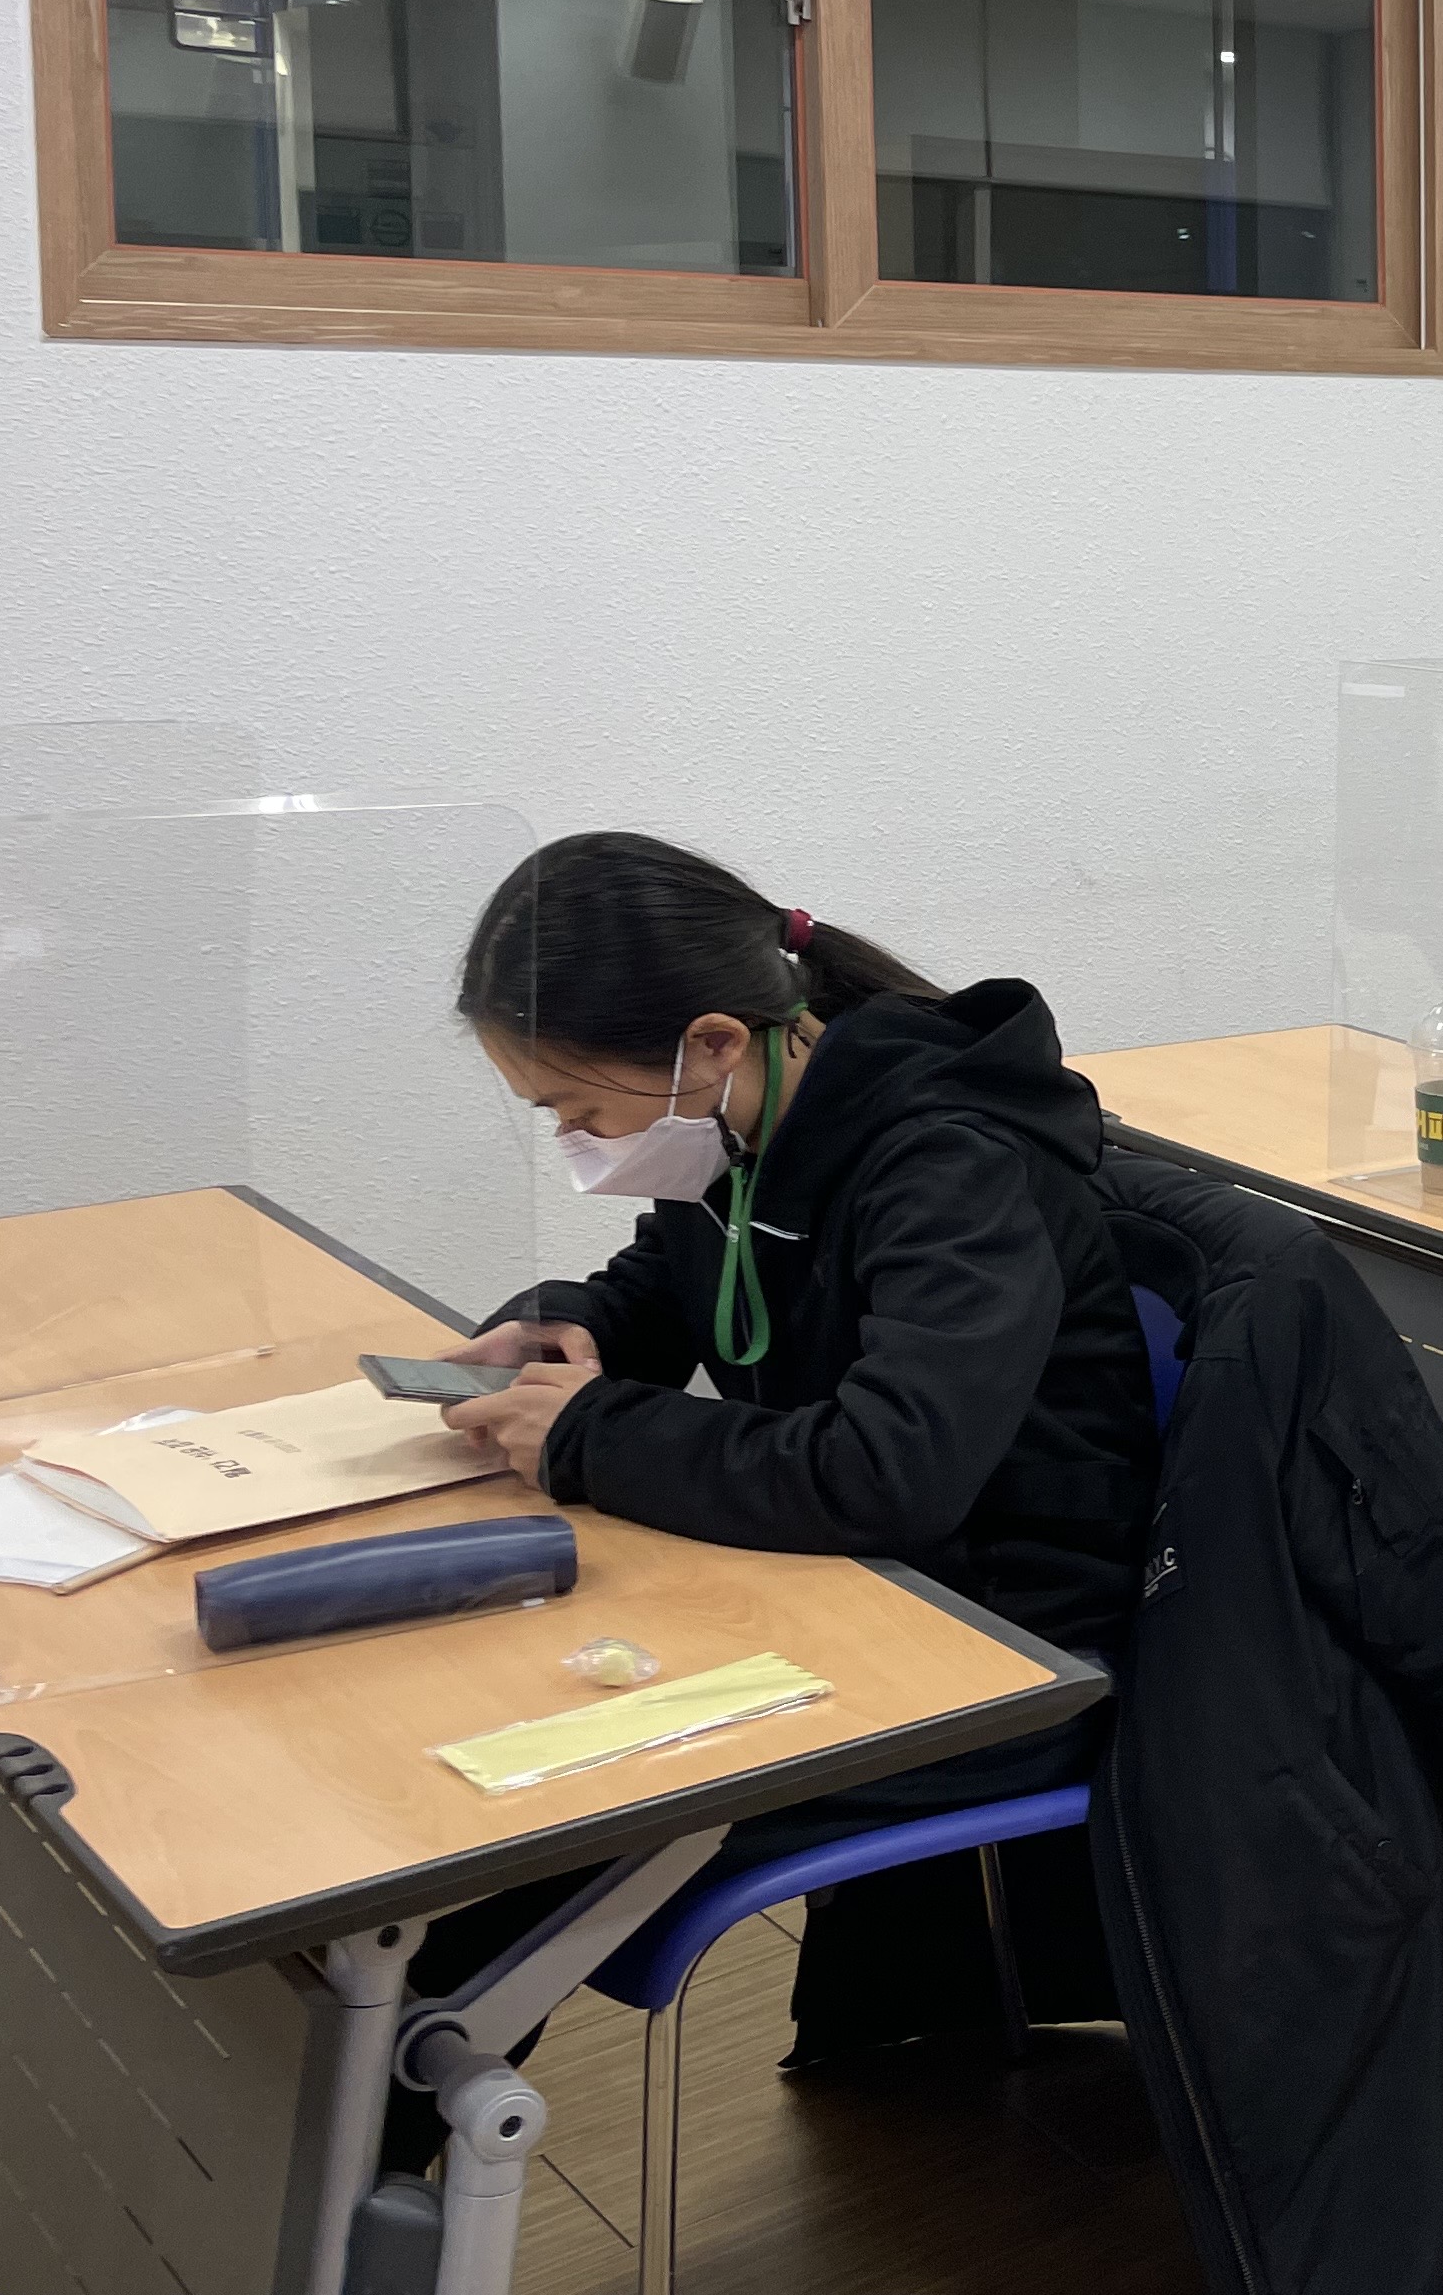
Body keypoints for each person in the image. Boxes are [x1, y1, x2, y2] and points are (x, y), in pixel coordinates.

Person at [408, 832, 1159, 2106]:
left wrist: (591, 1435)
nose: (577, 1141)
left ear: (710, 1045)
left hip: (1002, 1647)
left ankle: (369, 2141)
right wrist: (574, 1326)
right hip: (852, 1591)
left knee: (525, 1825)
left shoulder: (953, 1163)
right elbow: (676, 1277)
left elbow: (890, 1471)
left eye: (579, 1111)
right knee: (469, 1752)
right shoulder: (752, 1122)